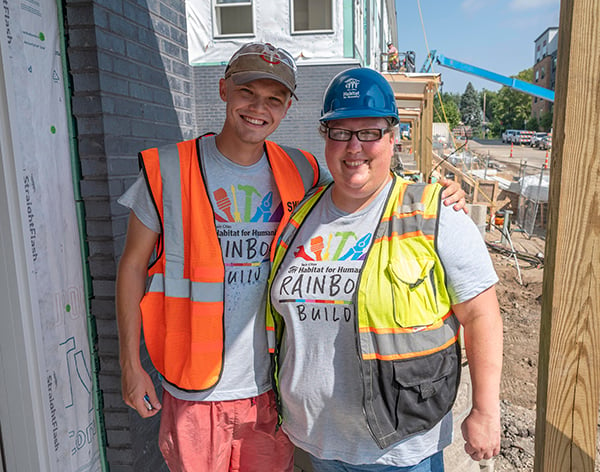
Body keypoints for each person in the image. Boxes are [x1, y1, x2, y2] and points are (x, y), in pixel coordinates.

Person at [116, 42, 467, 472]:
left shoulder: (301, 171)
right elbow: (132, 267)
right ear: (224, 89)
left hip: (271, 390)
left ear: (286, 108)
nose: (258, 107)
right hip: (195, 388)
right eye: (247, 92)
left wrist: (434, 193)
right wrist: (130, 365)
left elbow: (363, 174)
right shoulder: (168, 169)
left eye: (274, 99)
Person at [266, 67, 503, 472]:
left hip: (399, 448)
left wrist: (485, 409)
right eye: (340, 131)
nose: (353, 146)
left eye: (370, 132)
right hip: (315, 441)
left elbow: (481, 313)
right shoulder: (299, 214)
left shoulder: (435, 213)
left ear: (393, 138)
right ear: (325, 138)